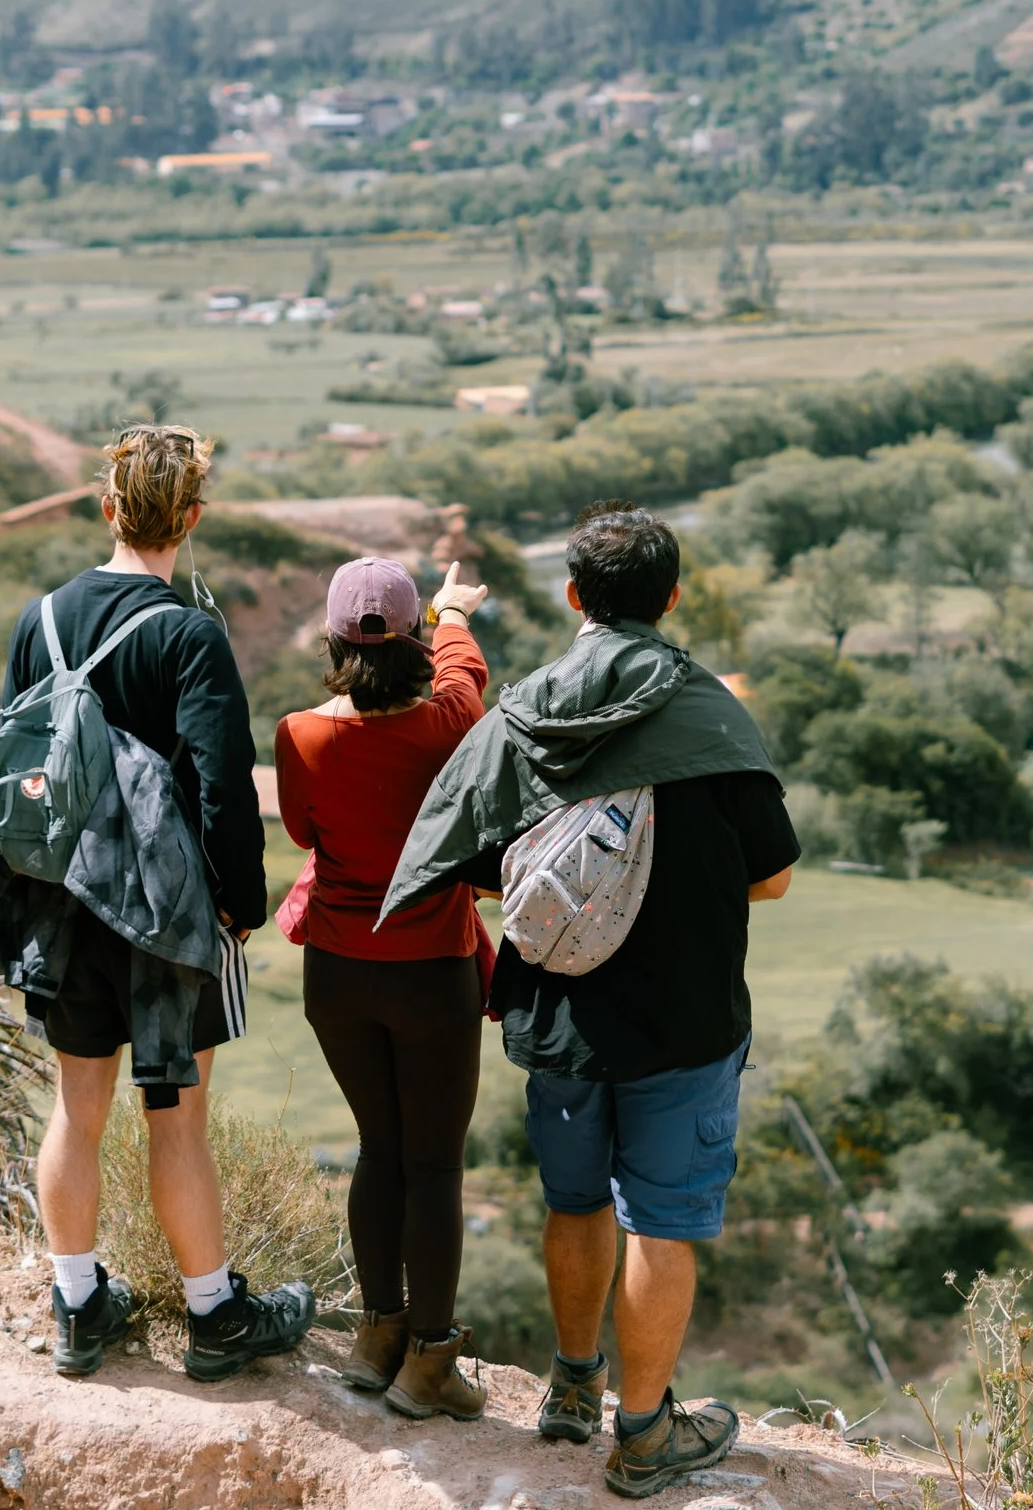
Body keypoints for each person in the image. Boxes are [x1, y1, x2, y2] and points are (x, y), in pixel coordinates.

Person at [380, 502, 798, 1500]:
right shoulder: (710, 710)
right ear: (673, 595)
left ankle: (573, 1385)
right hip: (687, 1017)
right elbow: (774, 875)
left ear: (574, 596)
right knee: (664, 1221)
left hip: (556, 1012)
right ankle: (644, 1434)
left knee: (572, 1199)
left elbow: (472, 862)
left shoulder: (522, 715)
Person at [0, 425, 315, 1381]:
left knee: (77, 1107)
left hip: (62, 905)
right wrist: (240, 904)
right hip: (169, 916)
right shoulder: (189, 632)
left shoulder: (40, 619)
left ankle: (78, 1304)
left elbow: (20, 765)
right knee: (175, 1113)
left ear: (107, 508)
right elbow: (224, 785)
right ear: (191, 517)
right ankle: (215, 1316)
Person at [274, 555, 494, 1420]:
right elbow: (464, 668)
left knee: (379, 1149)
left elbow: (299, 827)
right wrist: (453, 609)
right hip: (431, 974)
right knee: (435, 1165)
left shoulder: (298, 734)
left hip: (336, 972)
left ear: (332, 638)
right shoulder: (449, 723)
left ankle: (377, 1335)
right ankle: (430, 1363)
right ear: (411, 638)